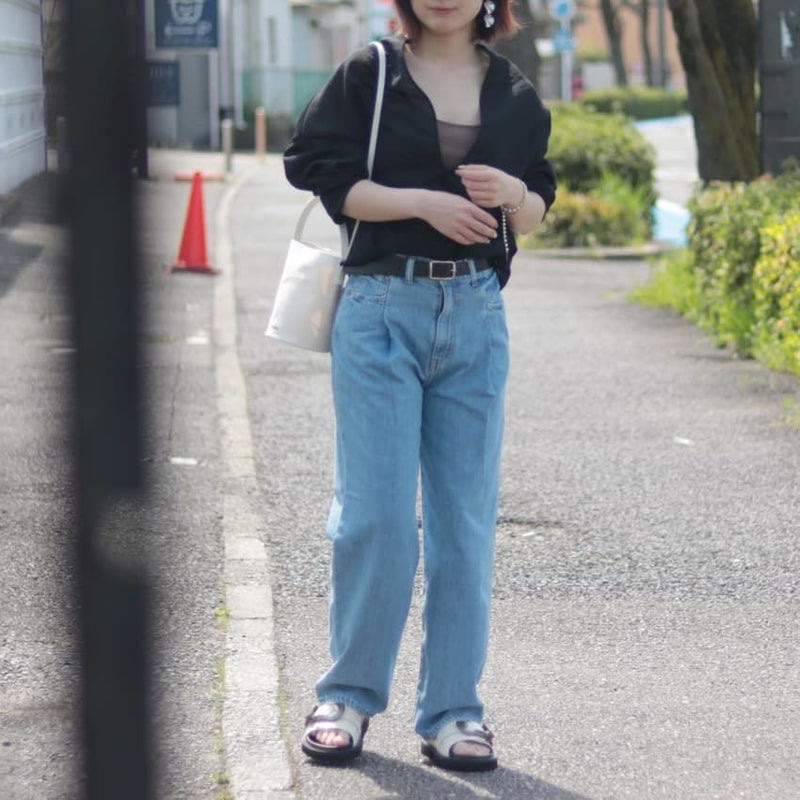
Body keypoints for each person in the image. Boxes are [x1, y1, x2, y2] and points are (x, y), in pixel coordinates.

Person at [283, 0, 555, 773]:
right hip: (379, 307)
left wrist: (512, 193)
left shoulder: (514, 93)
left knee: (464, 523)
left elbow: (537, 207)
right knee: (374, 516)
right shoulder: (369, 74)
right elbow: (317, 169)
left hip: (475, 313)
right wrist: (421, 203)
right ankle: (346, 697)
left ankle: (453, 712)